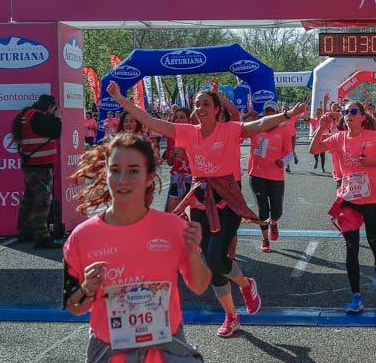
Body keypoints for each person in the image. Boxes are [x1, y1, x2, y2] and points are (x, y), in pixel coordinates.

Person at [107, 81, 306, 338]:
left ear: (216, 109)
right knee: (211, 262)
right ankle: (231, 315)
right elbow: (151, 121)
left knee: (215, 256)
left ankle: (246, 285)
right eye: (197, 104)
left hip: (228, 199)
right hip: (200, 199)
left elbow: (259, 124)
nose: (200, 108)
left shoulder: (230, 129)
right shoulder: (187, 132)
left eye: (206, 104)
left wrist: (288, 114)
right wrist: (120, 99)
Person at [64, 132, 213, 363]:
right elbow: (73, 306)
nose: (123, 180)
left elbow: (200, 284)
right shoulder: (82, 237)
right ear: (105, 173)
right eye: (115, 170)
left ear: (149, 178)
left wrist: (192, 251)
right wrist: (87, 288)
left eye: (133, 171)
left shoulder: (172, 228)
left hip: (162, 360)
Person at [311, 100, 376, 313]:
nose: (348, 114)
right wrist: (322, 127)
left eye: (353, 111)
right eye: (345, 111)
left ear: (362, 117)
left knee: (373, 240)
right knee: (351, 248)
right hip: (349, 199)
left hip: (373, 199)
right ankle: (356, 296)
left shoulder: (375, 137)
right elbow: (314, 149)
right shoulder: (338, 138)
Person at [10, 94, 62, 249]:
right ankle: (42, 237)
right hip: (41, 165)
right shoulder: (40, 117)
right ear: (50, 107)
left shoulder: (25, 115)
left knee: (29, 199)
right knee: (42, 201)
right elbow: (55, 132)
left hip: (30, 163)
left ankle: (24, 231)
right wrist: (57, 118)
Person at [248, 102, 293, 253]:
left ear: (277, 113)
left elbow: (289, 153)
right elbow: (239, 130)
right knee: (263, 210)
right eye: (267, 111)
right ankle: (265, 239)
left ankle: (273, 223)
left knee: (277, 212)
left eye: (272, 111)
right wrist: (248, 117)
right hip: (257, 174)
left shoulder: (283, 130)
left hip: (275, 176)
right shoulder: (256, 128)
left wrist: (283, 161)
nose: (269, 113)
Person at [164, 107, 193, 214]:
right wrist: (171, 157)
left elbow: (203, 161)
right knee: (173, 213)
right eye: (176, 117)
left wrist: (186, 157)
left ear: (190, 120)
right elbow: (170, 163)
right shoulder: (171, 136)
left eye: (182, 117)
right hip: (177, 178)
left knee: (194, 214)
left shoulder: (197, 135)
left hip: (194, 179)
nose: (178, 120)